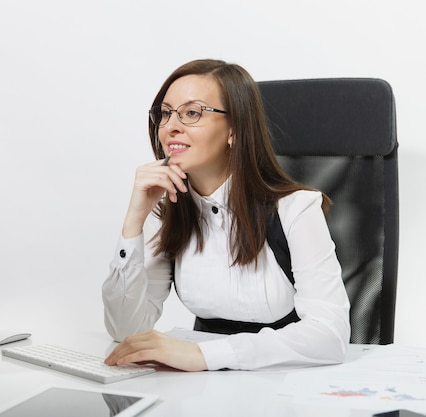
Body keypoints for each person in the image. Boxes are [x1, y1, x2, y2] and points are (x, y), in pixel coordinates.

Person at [102, 59, 351, 372]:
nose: (171, 126)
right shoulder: (168, 211)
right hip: (200, 388)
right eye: (165, 113)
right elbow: (125, 330)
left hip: (289, 383)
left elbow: (331, 335)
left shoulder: (295, 209)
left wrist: (205, 356)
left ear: (234, 129)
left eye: (192, 113)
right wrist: (133, 223)